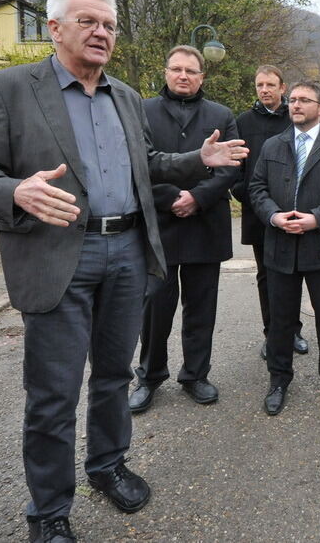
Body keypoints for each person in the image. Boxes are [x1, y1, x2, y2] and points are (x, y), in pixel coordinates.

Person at [0, 0, 247, 542]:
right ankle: (49, 510)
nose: (102, 33)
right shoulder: (8, 88)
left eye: (110, 25)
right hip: (59, 251)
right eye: (88, 22)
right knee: (54, 392)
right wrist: (17, 191)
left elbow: (150, 163)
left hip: (128, 252)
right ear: (55, 29)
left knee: (115, 374)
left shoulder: (125, 95)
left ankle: (108, 466)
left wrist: (199, 159)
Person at [129, 45, 238, 413]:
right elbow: (138, 165)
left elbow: (231, 167)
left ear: (202, 77)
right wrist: (173, 196)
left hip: (205, 224)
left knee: (201, 308)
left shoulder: (221, 114)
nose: (183, 76)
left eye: (191, 71)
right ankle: (150, 375)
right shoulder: (141, 111)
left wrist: (197, 197)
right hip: (159, 225)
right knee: (155, 308)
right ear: (165, 72)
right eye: (176, 69)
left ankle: (195, 374)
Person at [248, 80, 320, 416]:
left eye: (303, 100)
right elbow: (256, 188)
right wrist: (273, 216)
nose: (295, 105)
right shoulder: (273, 145)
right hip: (280, 246)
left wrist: (317, 218)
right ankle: (279, 379)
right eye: (293, 100)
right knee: (280, 318)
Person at [232, 65, 310, 359]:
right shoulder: (243, 121)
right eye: (259, 84)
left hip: (294, 212)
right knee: (267, 276)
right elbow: (236, 165)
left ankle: (294, 330)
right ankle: (273, 333)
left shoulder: (296, 119)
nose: (264, 89)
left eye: (270, 84)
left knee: (294, 272)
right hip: (258, 212)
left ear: (282, 88)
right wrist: (243, 192)